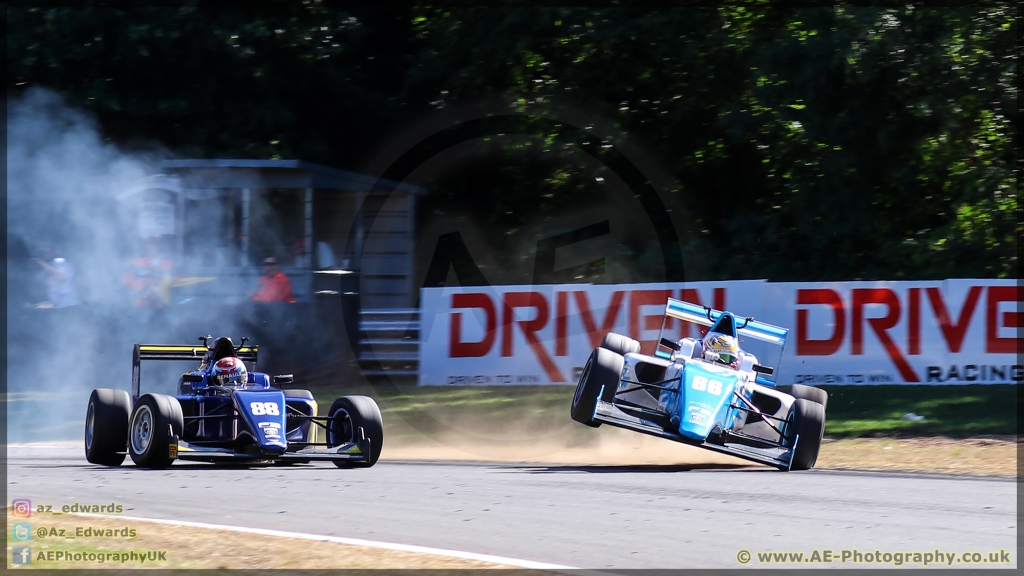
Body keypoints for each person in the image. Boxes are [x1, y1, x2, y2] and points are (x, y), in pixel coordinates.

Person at [123, 236, 176, 306]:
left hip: (164, 304)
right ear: (147, 245)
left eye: (156, 244)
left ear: (161, 245)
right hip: (142, 304)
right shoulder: (137, 262)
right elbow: (126, 279)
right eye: (151, 244)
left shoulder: (170, 263)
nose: (154, 246)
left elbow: (180, 279)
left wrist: (168, 285)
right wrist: (142, 287)